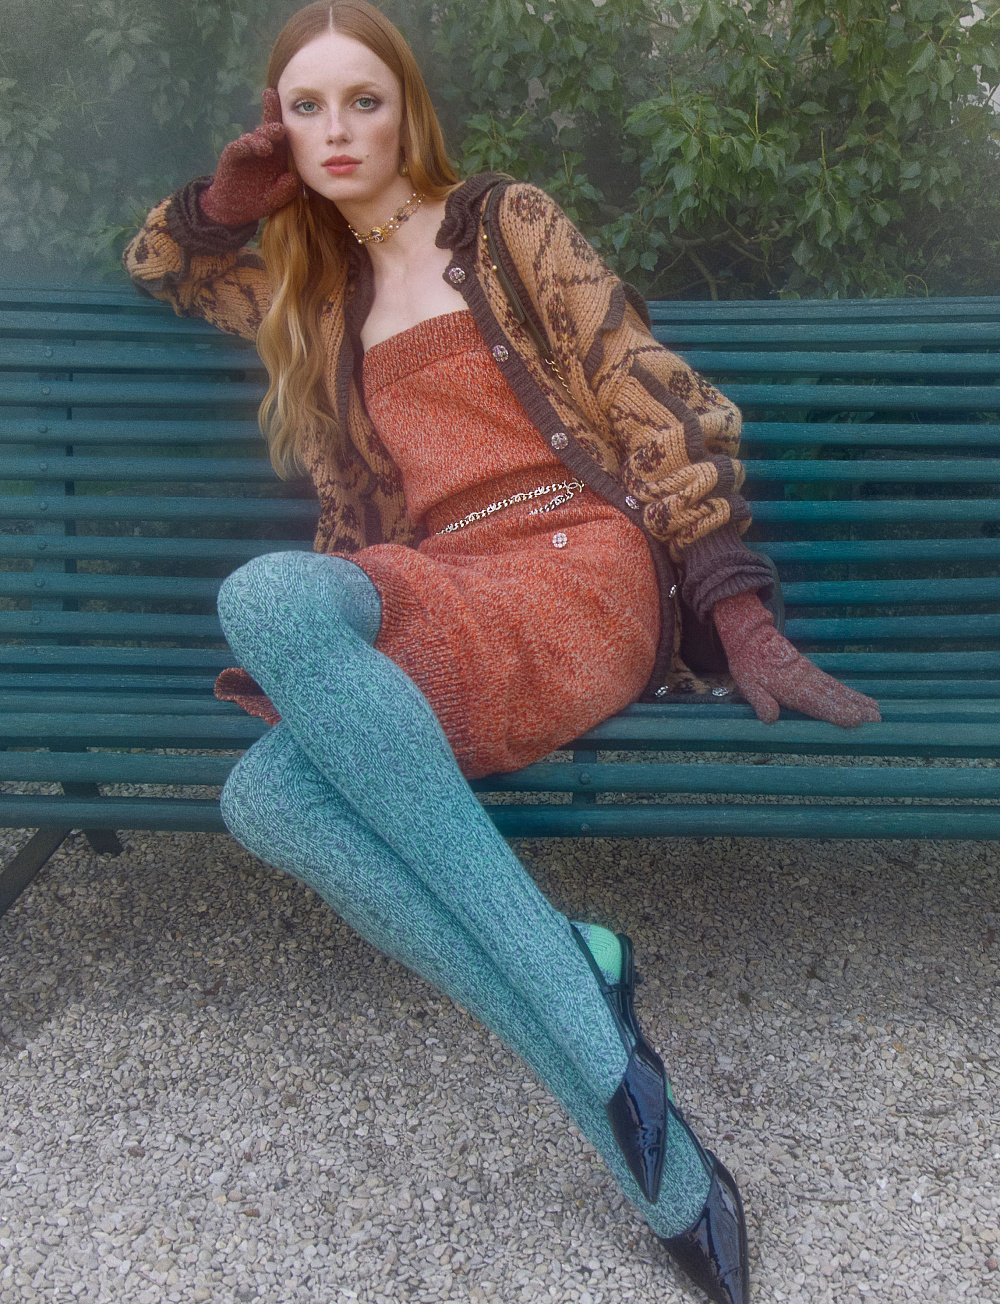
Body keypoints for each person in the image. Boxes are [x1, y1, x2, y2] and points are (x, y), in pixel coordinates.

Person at [123, 4, 881, 1299]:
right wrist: (221, 203)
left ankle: (628, 1102)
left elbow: (644, 389)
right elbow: (163, 265)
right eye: (305, 108)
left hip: (583, 564)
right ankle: (593, 1013)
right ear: (278, 130)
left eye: (363, 99)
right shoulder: (310, 285)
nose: (336, 130)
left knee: (264, 629)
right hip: (445, 580)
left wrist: (735, 609)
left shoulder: (503, 222)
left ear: (406, 108)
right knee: (262, 783)